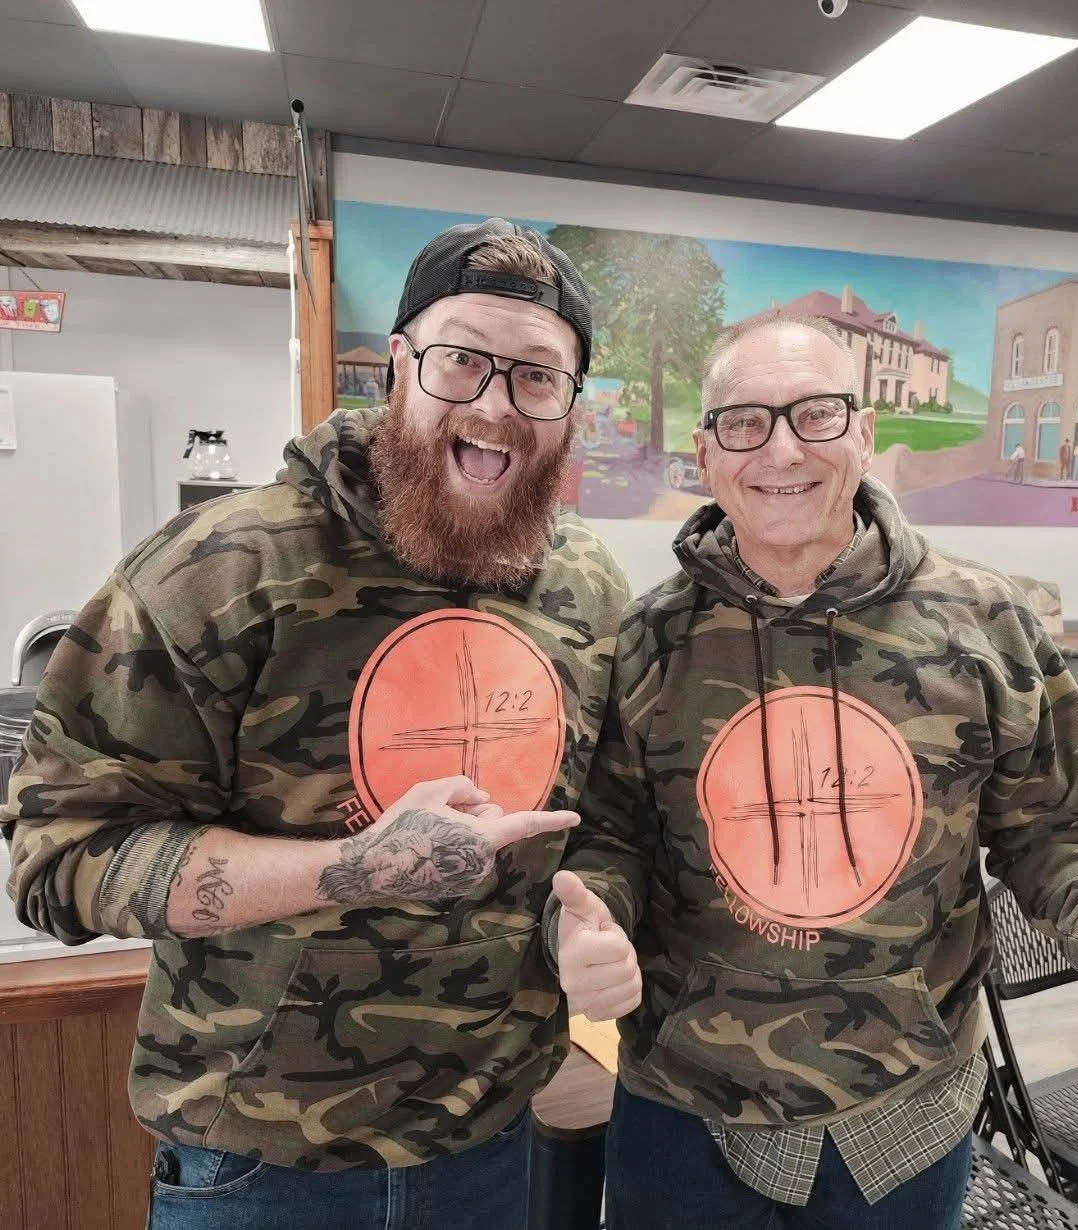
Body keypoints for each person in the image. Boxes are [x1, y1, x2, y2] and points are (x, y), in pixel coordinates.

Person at [547, 315, 1078, 1230]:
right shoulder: (647, 641)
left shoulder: (986, 626)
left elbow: (1055, 836)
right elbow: (612, 837)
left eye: (816, 414)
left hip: (905, 1113)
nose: (782, 450)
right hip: (689, 1107)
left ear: (865, 431)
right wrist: (592, 919)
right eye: (746, 422)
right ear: (706, 452)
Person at [2, 219, 630, 1230]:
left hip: (489, 1143)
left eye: (535, 378)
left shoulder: (587, 587)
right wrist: (354, 869)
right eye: (461, 361)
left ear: (569, 407)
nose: (494, 406)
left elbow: (594, 820)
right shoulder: (222, 570)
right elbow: (58, 858)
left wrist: (591, 914)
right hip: (263, 1162)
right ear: (396, 367)